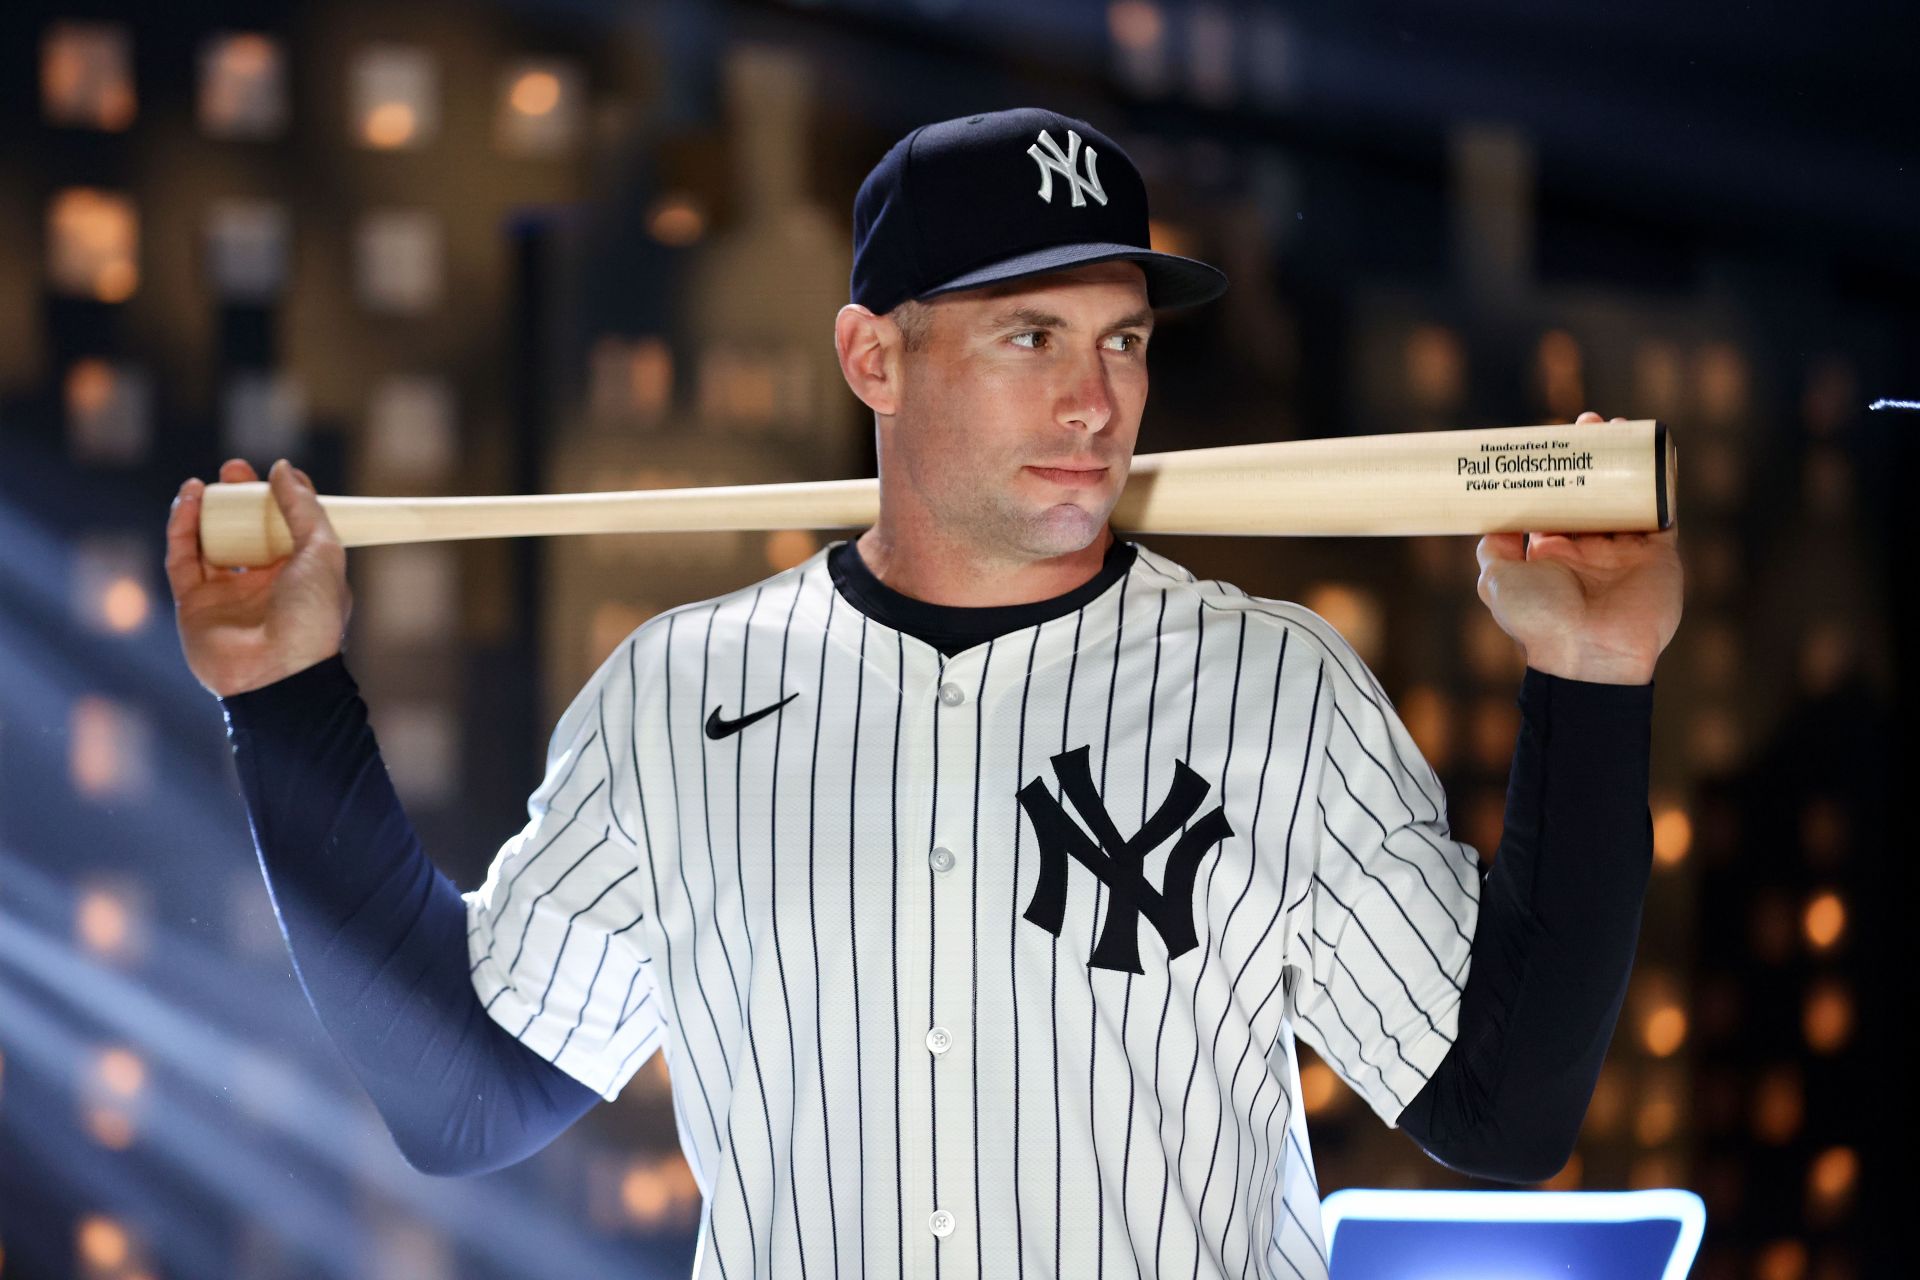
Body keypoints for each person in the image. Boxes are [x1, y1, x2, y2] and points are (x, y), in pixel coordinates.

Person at [167, 108, 1683, 1280]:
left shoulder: (1275, 688)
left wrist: (1597, 674)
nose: (1095, 404)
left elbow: (1502, 1105)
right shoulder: (677, 696)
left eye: (1123, 341)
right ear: (870, 359)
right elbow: (466, 1097)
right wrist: (284, 696)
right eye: (1030, 339)